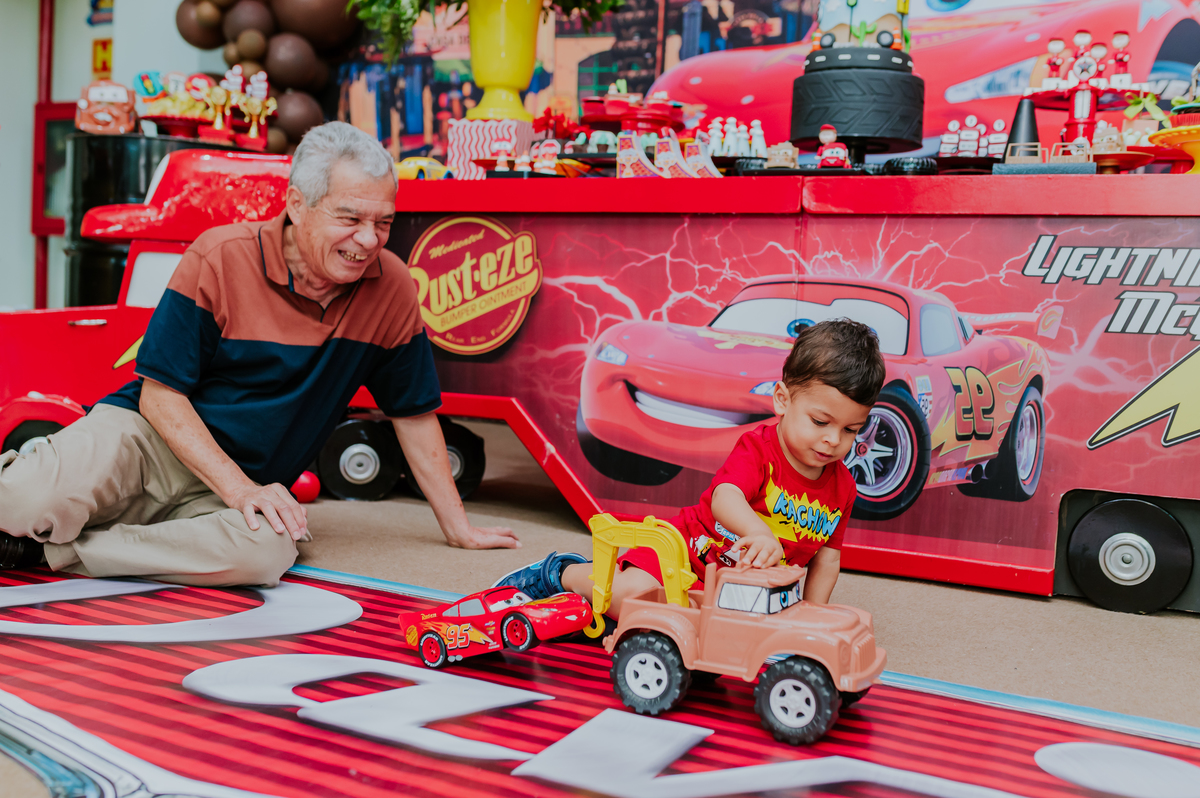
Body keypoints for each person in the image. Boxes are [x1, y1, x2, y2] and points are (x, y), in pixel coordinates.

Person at [0, 122, 518, 584]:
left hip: (244, 479)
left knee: (265, 553)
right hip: (147, 442)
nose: (368, 240)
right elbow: (160, 399)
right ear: (297, 205)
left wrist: (459, 528)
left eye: (383, 223)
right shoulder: (220, 255)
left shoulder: (393, 288)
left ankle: (57, 554)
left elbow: (414, 414)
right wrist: (240, 492)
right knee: (18, 499)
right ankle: (57, 515)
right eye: (350, 218)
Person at [494, 319, 885, 618]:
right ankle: (559, 574)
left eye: (851, 429)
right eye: (820, 422)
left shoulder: (842, 488)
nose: (834, 440)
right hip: (683, 553)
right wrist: (758, 531)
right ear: (782, 400)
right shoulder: (760, 449)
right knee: (627, 599)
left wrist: (812, 617)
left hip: (735, 585)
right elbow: (724, 497)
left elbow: (827, 559)